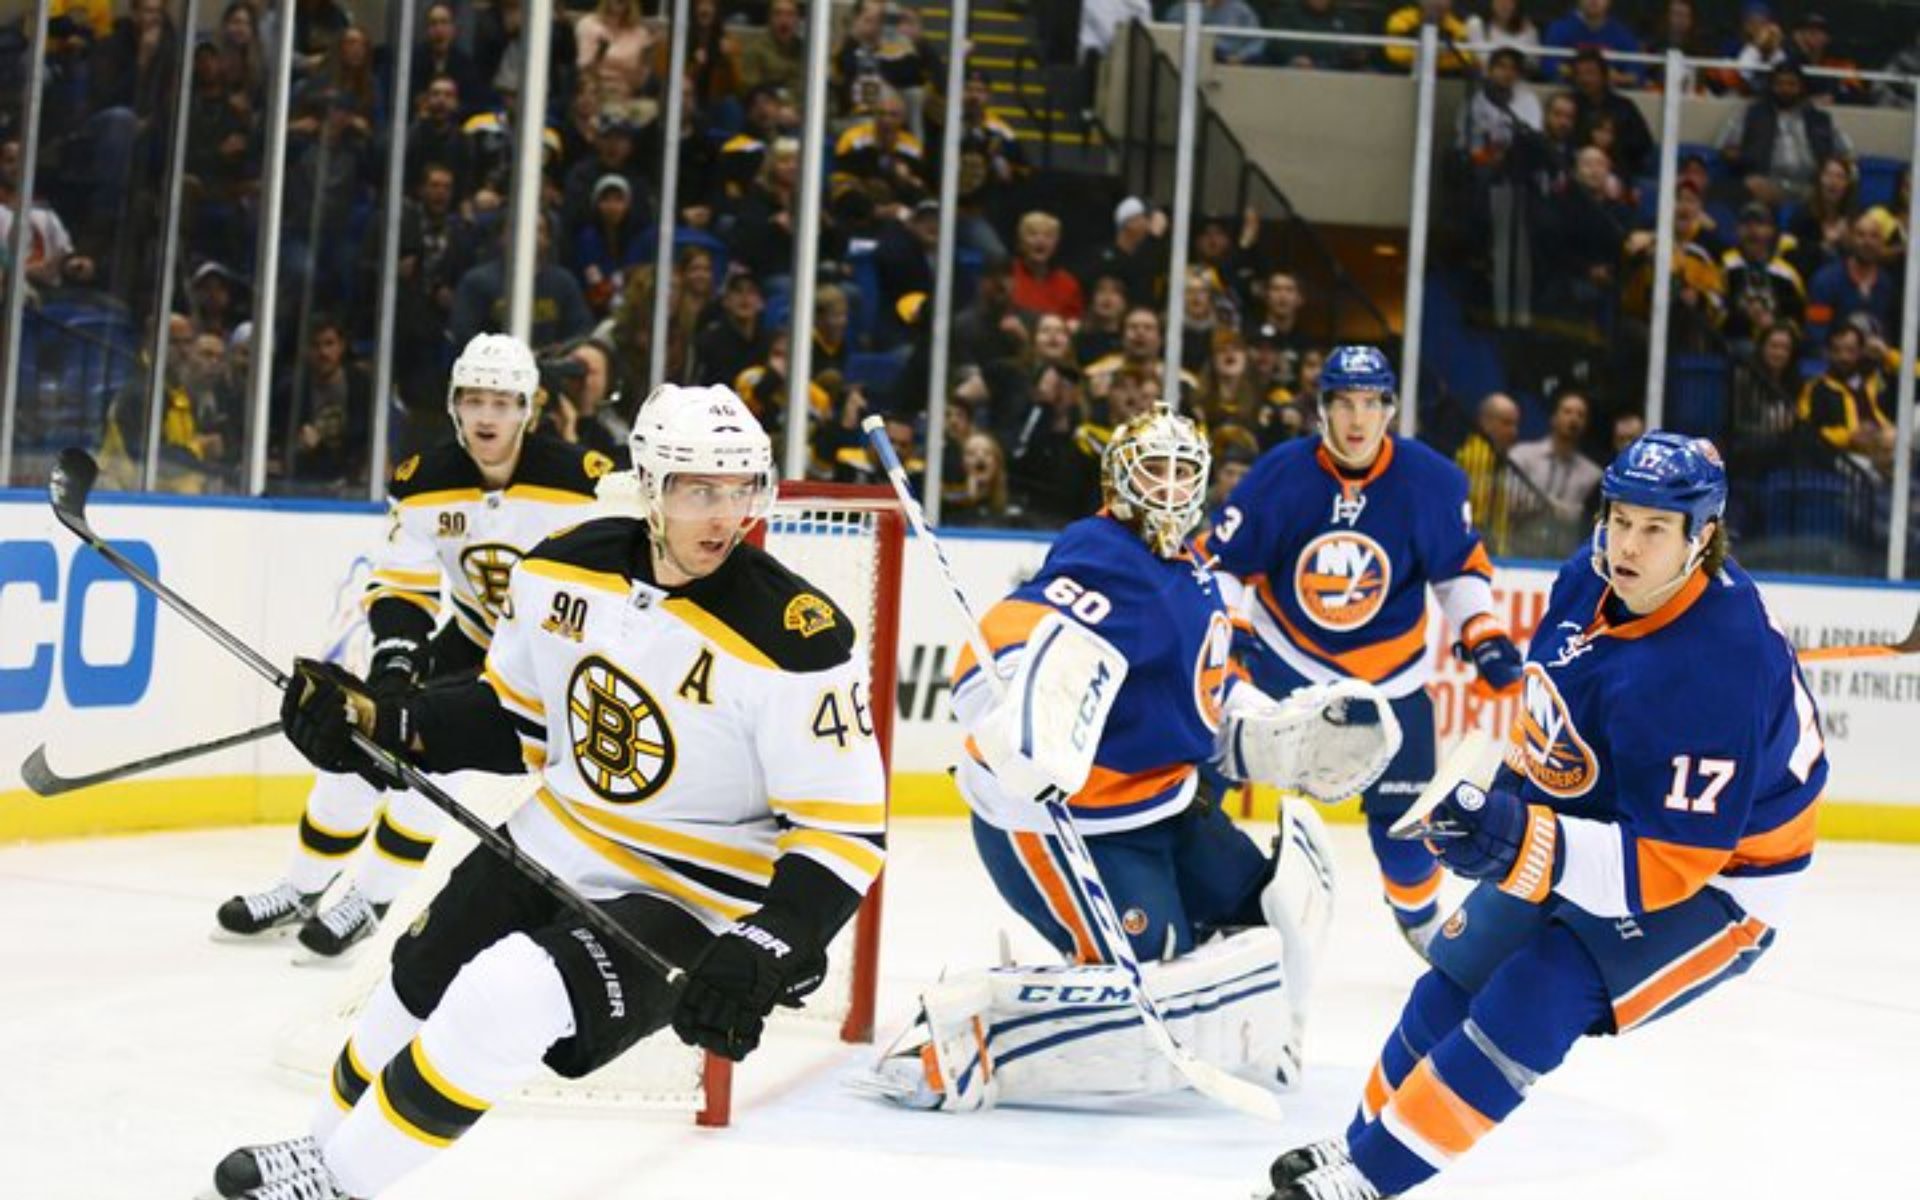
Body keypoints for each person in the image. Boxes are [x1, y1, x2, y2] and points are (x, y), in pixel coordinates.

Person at [210, 385, 886, 1199]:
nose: (724, 514)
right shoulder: (566, 568)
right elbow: (511, 719)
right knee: (412, 982)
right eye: (698, 489)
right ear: (649, 485)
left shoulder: (795, 638)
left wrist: (771, 943)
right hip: (553, 837)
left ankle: (342, 1184)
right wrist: (384, 719)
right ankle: (322, 1151)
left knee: (505, 999)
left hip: (689, 894)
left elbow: (842, 831)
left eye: (742, 487)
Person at [1264, 432, 1826, 1200]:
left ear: (1703, 538)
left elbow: (1668, 864)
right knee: (1453, 977)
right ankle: (1361, 1142)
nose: (1627, 544)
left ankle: (1369, 1182)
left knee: (1537, 993)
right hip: (1609, 823)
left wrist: (1514, 842)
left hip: (1720, 882)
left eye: (1656, 529)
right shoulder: (1584, 580)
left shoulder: (1718, 665)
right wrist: (1500, 814)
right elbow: (1551, 743)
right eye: (1620, 517)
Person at [865, 404, 1400, 1113]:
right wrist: (1018, 707)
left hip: (1164, 802)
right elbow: (1010, 630)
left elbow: (1200, 692)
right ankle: (958, 1038)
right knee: (1154, 977)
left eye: (1185, 471)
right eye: (1155, 468)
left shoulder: (1192, 568)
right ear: (1119, 479)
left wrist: (1268, 730)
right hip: (1058, 823)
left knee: (1267, 911)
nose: (1173, 486)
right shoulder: (1103, 550)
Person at [214, 335, 614, 959]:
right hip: (472, 638)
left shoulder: (584, 482)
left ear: (527, 409)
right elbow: (403, 585)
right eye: (474, 400)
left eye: (503, 402)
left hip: (543, 666)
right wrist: (395, 664)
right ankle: (299, 888)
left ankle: (371, 898)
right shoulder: (423, 480)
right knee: (356, 740)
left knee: (433, 768)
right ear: (455, 405)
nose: (487, 416)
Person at [1207, 347, 1524, 955]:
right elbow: (1224, 565)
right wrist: (1230, 635)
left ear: (1390, 410)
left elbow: (1457, 571)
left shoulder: (1431, 480)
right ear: (1322, 409)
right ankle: (1199, 897)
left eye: (1372, 403)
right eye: (1344, 403)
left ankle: (1421, 919)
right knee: (1207, 772)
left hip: (1392, 676)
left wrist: (1483, 633)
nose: (1358, 418)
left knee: (1407, 831)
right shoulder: (1279, 474)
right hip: (1284, 661)